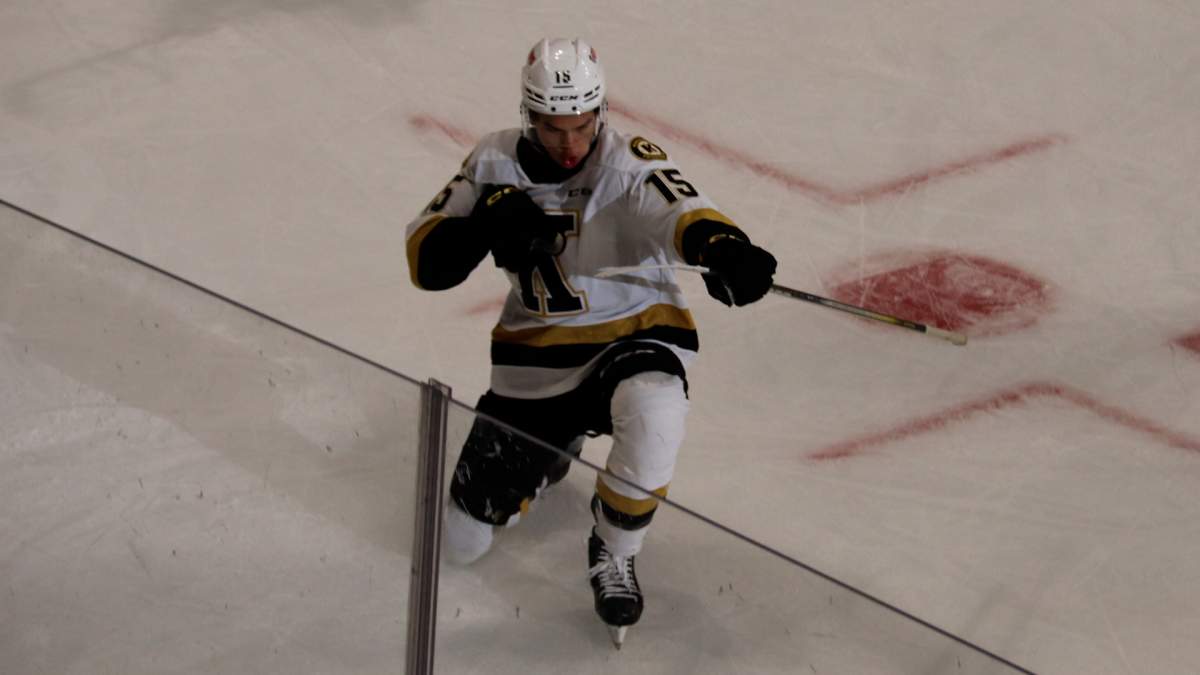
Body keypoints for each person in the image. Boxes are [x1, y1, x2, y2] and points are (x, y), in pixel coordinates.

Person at [404, 36, 776, 645]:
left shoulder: (627, 158)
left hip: (634, 333)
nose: (571, 144)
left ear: (599, 110)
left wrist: (722, 250)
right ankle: (556, 447)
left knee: (656, 409)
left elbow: (680, 209)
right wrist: (486, 221)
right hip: (534, 362)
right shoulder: (492, 160)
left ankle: (616, 547)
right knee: (461, 543)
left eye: (582, 125)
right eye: (553, 129)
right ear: (529, 116)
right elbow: (425, 264)